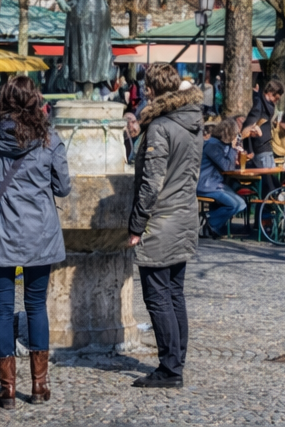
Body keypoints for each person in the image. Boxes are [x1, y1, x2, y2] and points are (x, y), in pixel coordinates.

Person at [0, 75, 71, 407]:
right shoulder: (48, 140)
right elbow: (63, 187)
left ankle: (7, 389)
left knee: (1, 309)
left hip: (1, 231)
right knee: (36, 306)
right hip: (39, 233)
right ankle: (39, 386)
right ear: (35, 101)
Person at [126, 64, 204, 388]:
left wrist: (136, 225)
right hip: (186, 214)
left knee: (158, 296)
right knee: (174, 293)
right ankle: (177, 359)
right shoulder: (192, 121)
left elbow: (151, 183)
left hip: (162, 220)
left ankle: (170, 368)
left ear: (150, 90)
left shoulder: (160, 126)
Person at [196, 120, 246, 239]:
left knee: (242, 204)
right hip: (206, 184)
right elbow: (227, 166)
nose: (236, 137)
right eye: (235, 134)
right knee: (234, 204)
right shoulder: (212, 145)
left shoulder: (220, 144)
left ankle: (210, 221)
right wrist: (233, 149)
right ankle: (210, 222)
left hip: (216, 184)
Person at [242, 81, 284, 169]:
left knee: (270, 177)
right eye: (276, 98)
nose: (276, 101)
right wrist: (249, 149)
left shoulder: (267, 105)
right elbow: (249, 125)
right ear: (270, 93)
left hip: (266, 147)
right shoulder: (258, 103)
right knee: (266, 179)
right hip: (260, 148)